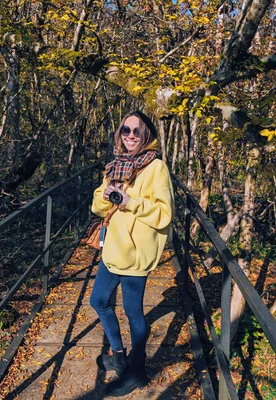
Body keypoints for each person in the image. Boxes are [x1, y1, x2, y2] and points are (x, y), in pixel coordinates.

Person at [90, 110, 174, 397]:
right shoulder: (115, 166)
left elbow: (164, 214)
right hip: (112, 250)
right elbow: (98, 208)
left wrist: (131, 202)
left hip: (136, 255)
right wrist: (103, 198)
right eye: (126, 130)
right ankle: (118, 355)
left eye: (136, 131)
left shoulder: (155, 167)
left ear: (146, 136)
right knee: (98, 300)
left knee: (132, 312)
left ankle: (137, 372)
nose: (130, 136)